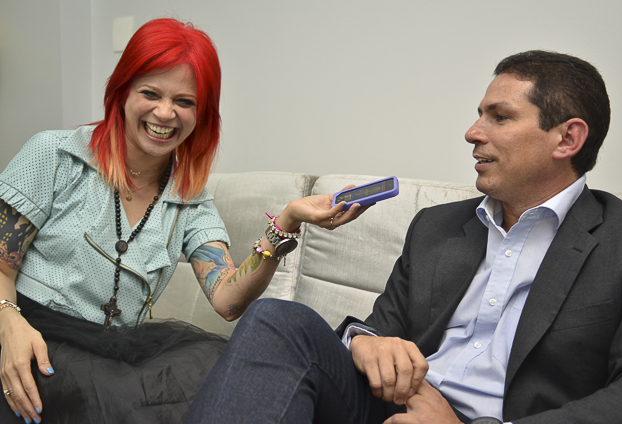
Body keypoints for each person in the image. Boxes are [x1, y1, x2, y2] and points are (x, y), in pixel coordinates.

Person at [186, 50, 622, 424]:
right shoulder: (437, 227)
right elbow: (380, 330)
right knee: (276, 319)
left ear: (567, 139)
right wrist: (364, 342)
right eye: (479, 115)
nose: (472, 133)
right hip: (393, 408)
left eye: (500, 117)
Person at [0, 18, 367, 424]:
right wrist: (9, 322)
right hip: (26, 334)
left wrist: (286, 222)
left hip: (108, 357)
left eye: (184, 101)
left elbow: (228, 301)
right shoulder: (53, 155)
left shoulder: (190, 198)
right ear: (122, 93)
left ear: (201, 114)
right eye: (150, 93)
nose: (165, 113)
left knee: (220, 371)